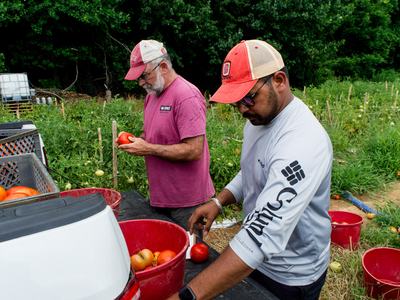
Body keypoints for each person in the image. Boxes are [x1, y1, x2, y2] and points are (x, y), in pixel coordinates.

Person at [168, 39, 333, 300]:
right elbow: (252, 170)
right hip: (255, 262)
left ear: (279, 80)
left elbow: (260, 235)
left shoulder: (303, 142)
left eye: (248, 97)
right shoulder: (258, 120)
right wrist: (219, 201)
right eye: (236, 102)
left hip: (290, 274)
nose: (243, 109)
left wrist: (186, 297)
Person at [119, 39, 215, 231]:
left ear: (163, 66)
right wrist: (137, 141)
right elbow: (156, 137)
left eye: (144, 76)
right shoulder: (152, 96)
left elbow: (194, 150)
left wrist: (148, 148)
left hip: (187, 202)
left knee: (188, 256)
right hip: (161, 196)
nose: (141, 83)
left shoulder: (186, 96)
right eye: (139, 78)